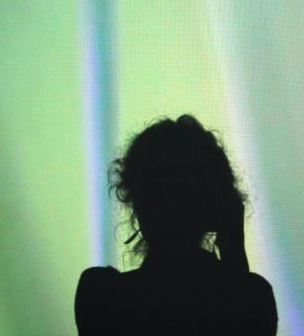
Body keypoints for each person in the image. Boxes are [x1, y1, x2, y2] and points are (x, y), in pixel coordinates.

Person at [75, 115, 278, 335]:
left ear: (136, 200)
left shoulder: (102, 298)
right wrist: (233, 246)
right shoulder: (254, 298)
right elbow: (244, 313)